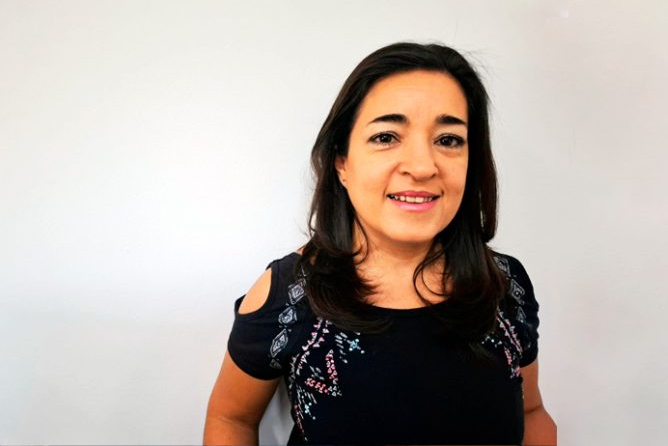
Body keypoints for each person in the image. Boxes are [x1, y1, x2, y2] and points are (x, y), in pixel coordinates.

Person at [203, 42, 556, 445]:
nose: (422, 167)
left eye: (448, 139)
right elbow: (230, 417)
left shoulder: (504, 284)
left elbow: (532, 411)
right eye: (386, 136)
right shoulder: (289, 296)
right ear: (341, 162)